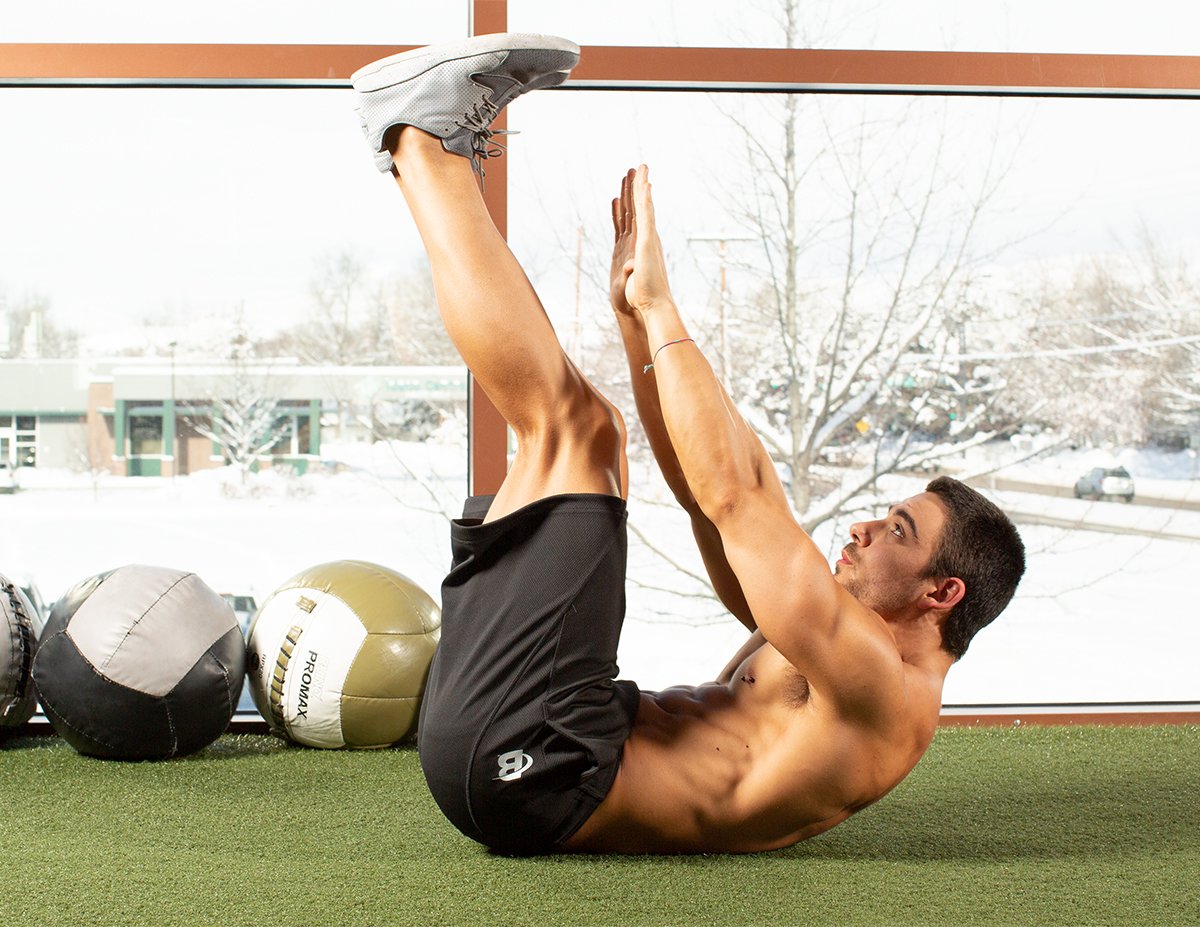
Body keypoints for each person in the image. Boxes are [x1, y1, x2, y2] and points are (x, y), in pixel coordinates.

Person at [350, 33, 1026, 856]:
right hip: (534, 753)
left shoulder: (884, 694)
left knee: (572, 431)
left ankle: (423, 141)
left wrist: (665, 310)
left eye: (897, 531)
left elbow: (734, 498)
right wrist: (640, 327)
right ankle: (425, 144)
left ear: (943, 593)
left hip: (540, 772)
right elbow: (717, 493)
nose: (862, 528)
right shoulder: (832, 645)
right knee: (589, 430)